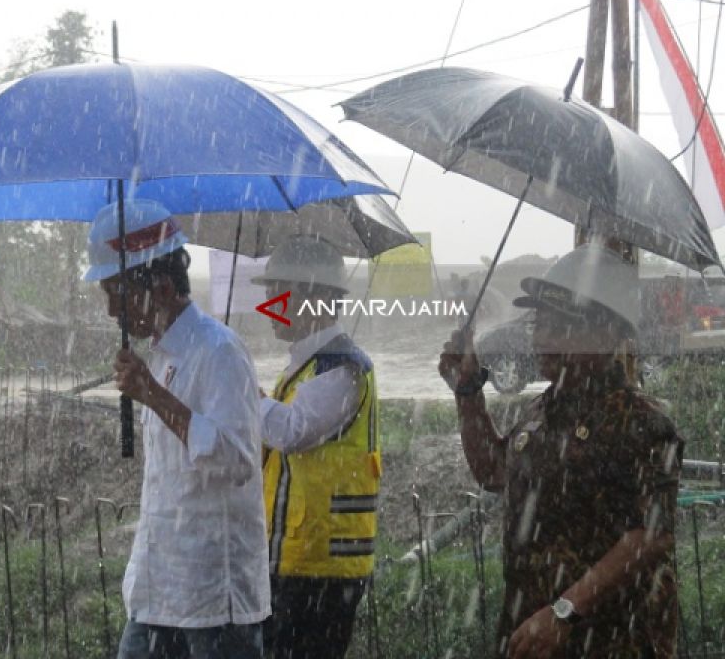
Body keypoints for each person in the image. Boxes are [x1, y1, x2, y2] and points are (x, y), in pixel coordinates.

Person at [438, 242, 683, 658]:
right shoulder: (541, 409)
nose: (542, 338)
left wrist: (565, 612)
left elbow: (651, 536)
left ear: (606, 333)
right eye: (539, 322)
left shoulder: (643, 423)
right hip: (533, 633)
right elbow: (494, 471)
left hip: (613, 641)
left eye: (560, 324)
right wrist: (468, 390)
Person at [84, 199, 270, 659]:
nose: (111, 311)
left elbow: (237, 461)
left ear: (161, 288)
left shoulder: (220, 352)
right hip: (156, 590)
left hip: (212, 599)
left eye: (116, 293)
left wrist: (154, 396)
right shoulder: (161, 356)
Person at [251, 236, 379, 659]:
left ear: (317, 296)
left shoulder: (342, 368)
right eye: (269, 291)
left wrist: (246, 396)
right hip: (294, 560)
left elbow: (290, 431)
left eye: (280, 290)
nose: (270, 301)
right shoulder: (305, 366)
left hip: (320, 569)